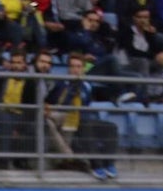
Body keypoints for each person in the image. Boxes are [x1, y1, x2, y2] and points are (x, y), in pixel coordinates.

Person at [45, 51, 119, 180]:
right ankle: (97, 166)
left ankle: (109, 164)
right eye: (72, 66)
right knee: (85, 125)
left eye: (78, 67)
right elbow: (52, 103)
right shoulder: (61, 84)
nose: (75, 70)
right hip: (68, 120)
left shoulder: (87, 85)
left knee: (111, 127)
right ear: (68, 68)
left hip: (85, 118)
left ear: (83, 69)